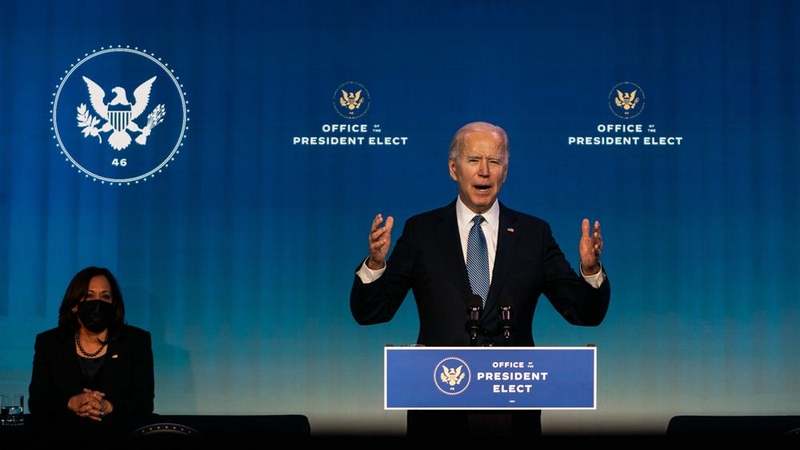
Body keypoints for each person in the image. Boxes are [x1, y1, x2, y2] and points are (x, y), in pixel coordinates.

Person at [350, 121, 610, 437]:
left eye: (495, 161)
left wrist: (591, 269)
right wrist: (376, 264)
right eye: (474, 160)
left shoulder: (533, 234)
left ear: (506, 170)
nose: (484, 171)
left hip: (513, 411)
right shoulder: (422, 232)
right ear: (453, 168)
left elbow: (584, 313)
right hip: (438, 410)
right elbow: (371, 313)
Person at [28, 266, 155, 426]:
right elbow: (37, 401)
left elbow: (144, 402)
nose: (97, 304)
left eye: (105, 297)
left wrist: (108, 406)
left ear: (114, 304)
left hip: (120, 434)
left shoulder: (136, 341)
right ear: (74, 304)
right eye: (89, 296)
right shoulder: (49, 343)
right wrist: (71, 403)